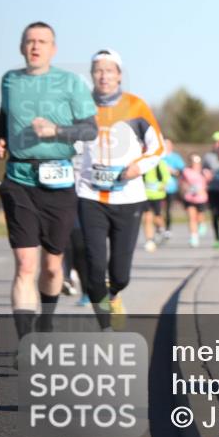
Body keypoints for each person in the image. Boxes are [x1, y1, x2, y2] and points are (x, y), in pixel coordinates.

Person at [0, 22, 98, 342]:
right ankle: (25, 341)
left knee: (52, 267)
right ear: (21, 47)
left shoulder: (70, 83)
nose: (35, 46)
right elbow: (4, 116)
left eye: (43, 41)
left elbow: (90, 130)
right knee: (25, 265)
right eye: (30, 41)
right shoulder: (10, 80)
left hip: (58, 180)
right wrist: (1, 141)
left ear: (53, 49)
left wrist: (56, 131)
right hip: (18, 177)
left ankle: (47, 319)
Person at [74, 48, 165, 330]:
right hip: (90, 195)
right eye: (98, 70)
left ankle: (114, 296)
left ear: (119, 75)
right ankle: (106, 327)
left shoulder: (136, 106)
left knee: (120, 275)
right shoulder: (80, 107)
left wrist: (138, 166)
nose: (103, 76)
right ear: (92, 75)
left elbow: (158, 147)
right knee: (94, 267)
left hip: (128, 197)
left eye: (109, 70)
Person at [141, 157, 171, 252]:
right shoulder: (142, 163)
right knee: (147, 217)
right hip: (144, 195)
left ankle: (162, 229)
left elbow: (166, 178)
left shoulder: (160, 163)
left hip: (157, 195)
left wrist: (161, 186)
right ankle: (149, 240)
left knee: (157, 217)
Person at [180, 154, 209, 247]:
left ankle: (202, 224)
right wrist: (186, 188)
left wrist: (202, 190)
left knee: (199, 217)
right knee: (191, 217)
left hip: (201, 198)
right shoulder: (186, 171)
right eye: (193, 162)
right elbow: (182, 183)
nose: (195, 164)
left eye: (196, 162)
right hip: (189, 197)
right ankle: (194, 237)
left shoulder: (204, 172)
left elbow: (208, 184)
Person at [161, 138, 185, 240]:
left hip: (171, 187)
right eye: (164, 144)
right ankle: (160, 228)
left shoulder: (175, 157)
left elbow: (182, 171)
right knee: (157, 211)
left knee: (168, 210)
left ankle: (167, 228)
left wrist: (173, 171)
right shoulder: (159, 157)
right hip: (158, 189)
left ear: (171, 146)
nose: (166, 146)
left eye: (168, 145)